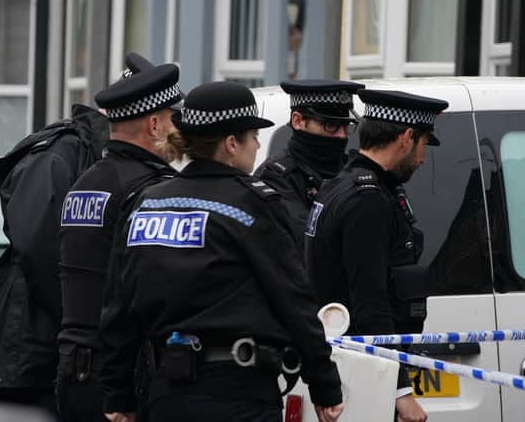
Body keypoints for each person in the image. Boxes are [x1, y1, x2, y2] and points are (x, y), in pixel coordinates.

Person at [99, 81, 344, 422]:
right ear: (231, 143)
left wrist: (118, 394)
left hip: (164, 395)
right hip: (238, 394)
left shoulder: (146, 204)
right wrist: (324, 384)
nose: (258, 145)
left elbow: (118, 307)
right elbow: (293, 300)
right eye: (253, 136)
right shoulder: (252, 205)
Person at [306, 89, 448, 422]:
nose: (423, 158)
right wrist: (399, 392)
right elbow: (370, 302)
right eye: (424, 144)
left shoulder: (345, 184)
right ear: (407, 137)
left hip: (351, 366)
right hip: (363, 375)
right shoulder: (367, 200)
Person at [55, 62, 181, 422]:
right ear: (155, 125)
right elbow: (149, 294)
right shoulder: (151, 191)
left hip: (75, 370)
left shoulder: (84, 183)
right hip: (123, 377)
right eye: (173, 120)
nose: (178, 131)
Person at [0, 101, 109, 416]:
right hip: (33, 345)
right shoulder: (59, 153)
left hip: (49, 343)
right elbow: (38, 247)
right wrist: (77, 318)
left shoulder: (88, 153)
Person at [254, 80, 363, 248]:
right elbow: (309, 241)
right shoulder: (276, 177)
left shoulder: (353, 169)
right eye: (331, 125)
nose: (342, 135)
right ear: (298, 121)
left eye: (345, 126)